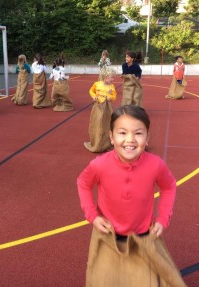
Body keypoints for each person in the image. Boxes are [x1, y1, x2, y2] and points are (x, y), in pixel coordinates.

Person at [77, 105, 187, 287]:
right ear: (111, 137)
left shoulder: (156, 165)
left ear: (147, 137)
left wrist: (163, 219)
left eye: (138, 133)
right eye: (122, 133)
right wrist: (92, 216)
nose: (130, 140)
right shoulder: (99, 165)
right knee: (102, 281)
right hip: (108, 237)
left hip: (143, 237)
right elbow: (83, 183)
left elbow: (169, 187)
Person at [84, 67, 117, 153]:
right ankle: (97, 142)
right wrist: (94, 96)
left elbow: (114, 96)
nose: (113, 79)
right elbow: (91, 91)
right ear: (105, 77)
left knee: (107, 123)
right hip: (98, 106)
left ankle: (106, 143)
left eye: (113, 77)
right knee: (97, 123)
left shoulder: (112, 86)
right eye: (111, 77)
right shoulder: (97, 84)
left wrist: (111, 98)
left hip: (107, 108)